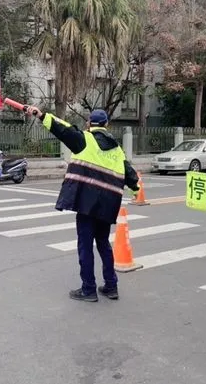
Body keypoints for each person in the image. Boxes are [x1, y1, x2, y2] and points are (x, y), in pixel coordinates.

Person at [24, 105, 140, 302]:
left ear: (89, 123)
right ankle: (111, 287)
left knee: (85, 245)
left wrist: (40, 114)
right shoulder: (117, 149)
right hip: (107, 205)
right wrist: (136, 190)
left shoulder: (84, 140)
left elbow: (62, 129)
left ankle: (88, 289)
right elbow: (130, 174)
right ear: (106, 125)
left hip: (86, 203)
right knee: (103, 244)